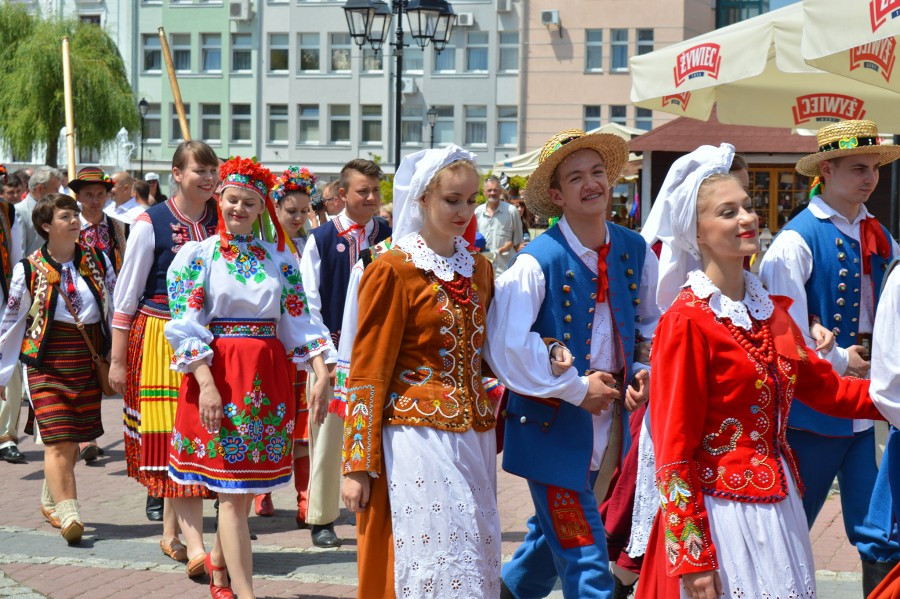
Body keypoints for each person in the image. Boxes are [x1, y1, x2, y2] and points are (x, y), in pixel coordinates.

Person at [636, 143, 884, 599]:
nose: (746, 218)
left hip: (779, 509)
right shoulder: (687, 320)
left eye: (747, 206)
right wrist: (693, 559)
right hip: (719, 515)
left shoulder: (770, 312)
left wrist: (890, 399)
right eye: (727, 212)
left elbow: (829, 392)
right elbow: (674, 452)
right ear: (699, 232)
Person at [485, 129, 659, 598]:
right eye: (576, 176)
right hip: (552, 430)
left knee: (550, 542)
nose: (592, 183)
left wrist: (643, 370)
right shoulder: (535, 262)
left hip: (610, 425)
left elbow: (648, 323)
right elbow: (505, 350)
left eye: (598, 172)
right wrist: (579, 390)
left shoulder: (634, 249)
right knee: (585, 554)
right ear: (557, 195)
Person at [340, 145, 513, 597]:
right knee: (434, 553)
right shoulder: (393, 269)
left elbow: (496, 347)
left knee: (473, 553)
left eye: (471, 199)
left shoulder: (479, 268)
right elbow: (368, 370)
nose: (464, 210)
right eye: (452, 200)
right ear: (422, 199)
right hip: (416, 434)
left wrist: (552, 352)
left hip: (475, 434)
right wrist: (357, 464)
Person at [165, 156, 333, 599]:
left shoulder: (280, 257)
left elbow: (300, 319)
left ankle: (220, 567)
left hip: (267, 376)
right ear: (219, 199)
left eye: (249, 203)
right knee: (231, 494)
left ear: (263, 209)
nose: (238, 209)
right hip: (220, 372)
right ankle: (245, 592)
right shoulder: (196, 255)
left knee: (239, 489)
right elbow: (185, 324)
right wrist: (205, 384)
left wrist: (320, 374)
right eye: (232, 199)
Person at [759, 119, 900, 594]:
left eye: (875, 168)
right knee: (793, 520)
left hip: (863, 410)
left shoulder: (877, 232)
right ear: (827, 169)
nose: (869, 178)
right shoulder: (794, 241)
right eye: (858, 168)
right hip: (812, 412)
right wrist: (844, 360)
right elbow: (783, 332)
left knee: (878, 533)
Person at [108, 140, 220, 576]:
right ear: (177, 173)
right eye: (199, 172)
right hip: (158, 336)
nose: (208, 179)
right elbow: (127, 295)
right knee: (174, 439)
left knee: (191, 434)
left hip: (209, 340)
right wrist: (118, 360)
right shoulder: (149, 222)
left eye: (213, 172)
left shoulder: (223, 218)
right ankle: (196, 547)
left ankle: (171, 534)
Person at [0, 193, 117, 544]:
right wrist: (2, 375)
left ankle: (50, 497)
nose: (76, 221)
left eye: (76, 215)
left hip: (87, 359)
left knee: (71, 442)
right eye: (67, 216)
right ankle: (70, 513)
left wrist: (120, 355)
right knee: (58, 439)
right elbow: (11, 324)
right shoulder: (28, 269)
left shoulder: (98, 260)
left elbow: (115, 306)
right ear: (47, 226)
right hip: (46, 363)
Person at [299, 158, 391, 548]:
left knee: (377, 432)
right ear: (342, 195)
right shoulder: (321, 239)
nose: (370, 198)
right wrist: (325, 358)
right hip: (333, 354)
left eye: (375, 191)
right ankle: (321, 517)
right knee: (326, 435)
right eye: (362, 191)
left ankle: (375, 508)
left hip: (381, 353)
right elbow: (307, 301)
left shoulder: (390, 235)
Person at [253, 165, 318, 524]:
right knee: (265, 420)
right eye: (290, 211)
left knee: (303, 428)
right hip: (269, 346)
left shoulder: (312, 244)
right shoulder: (263, 247)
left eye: (303, 211)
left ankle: (305, 496)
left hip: (301, 348)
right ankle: (261, 489)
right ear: (274, 209)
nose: (297, 217)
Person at [68, 167, 127, 462]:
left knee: (108, 364)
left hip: (113, 305)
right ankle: (85, 436)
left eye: (100, 194)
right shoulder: (69, 224)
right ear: (78, 196)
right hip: (79, 307)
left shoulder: (119, 227)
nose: (95, 200)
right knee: (83, 370)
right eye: (89, 194)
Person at [0, 165, 24, 465]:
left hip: (2, 294)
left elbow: (16, 256)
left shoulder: (8, 211)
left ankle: (6, 436)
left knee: (8, 361)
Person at [474, 175, 523, 276]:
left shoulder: (511, 211)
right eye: (489, 190)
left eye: (495, 190)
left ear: (500, 191)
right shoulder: (477, 212)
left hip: (505, 270)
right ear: (484, 192)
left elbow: (518, 243)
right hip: (483, 269)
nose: (492, 193)